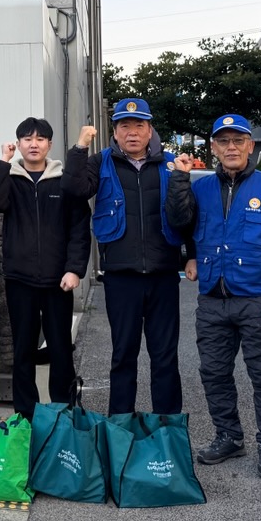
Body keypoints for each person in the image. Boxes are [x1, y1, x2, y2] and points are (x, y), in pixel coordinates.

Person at [166, 113, 261, 480]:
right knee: (213, 372)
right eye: (223, 141)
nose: (231, 147)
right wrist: (179, 179)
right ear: (213, 148)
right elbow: (182, 225)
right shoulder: (200, 188)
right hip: (213, 296)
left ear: (250, 146)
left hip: (259, 298)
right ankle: (228, 436)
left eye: (238, 140)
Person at [62, 98, 185, 416]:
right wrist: (79, 148)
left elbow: (188, 215)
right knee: (123, 356)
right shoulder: (100, 162)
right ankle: (120, 425)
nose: (132, 132)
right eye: (124, 126)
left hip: (163, 274)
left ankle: (167, 428)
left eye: (138, 125)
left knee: (165, 357)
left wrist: (193, 257)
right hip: (121, 276)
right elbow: (75, 189)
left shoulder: (170, 165)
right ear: (114, 132)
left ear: (150, 129)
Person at [0, 117, 91, 419]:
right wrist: (2, 162)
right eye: (27, 139)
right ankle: (24, 414)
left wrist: (74, 269)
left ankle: (63, 411)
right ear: (19, 144)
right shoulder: (10, 179)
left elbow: (79, 229)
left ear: (49, 145)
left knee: (60, 348)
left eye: (40, 139)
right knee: (23, 349)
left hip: (58, 280)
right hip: (20, 279)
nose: (33, 144)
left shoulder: (63, 181)